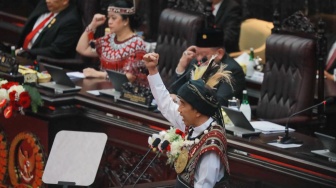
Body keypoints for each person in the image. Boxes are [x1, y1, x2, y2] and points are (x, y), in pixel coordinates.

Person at [143, 52, 230, 187]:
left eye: (182, 104)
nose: (179, 109)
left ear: (197, 111)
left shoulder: (211, 144)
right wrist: (152, 70)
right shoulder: (193, 124)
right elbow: (165, 104)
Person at [76, 0, 148, 86]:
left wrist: (98, 74)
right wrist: (92, 25)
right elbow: (82, 49)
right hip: (105, 89)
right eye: (109, 17)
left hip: (127, 94)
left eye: (114, 18)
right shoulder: (108, 39)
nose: (109, 21)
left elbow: (130, 76)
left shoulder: (137, 44)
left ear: (126, 21)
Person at [171, 28, 246, 106]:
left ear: (219, 53)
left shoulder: (232, 70)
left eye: (204, 55)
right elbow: (174, 92)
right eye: (197, 54)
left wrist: (181, 100)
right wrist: (181, 67)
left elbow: (218, 103)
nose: (199, 59)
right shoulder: (196, 62)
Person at [16, 0, 83, 60]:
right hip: (20, 53)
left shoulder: (71, 21)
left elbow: (55, 51)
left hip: (38, 61)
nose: (47, 1)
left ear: (65, 1)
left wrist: (26, 52)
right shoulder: (45, 5)